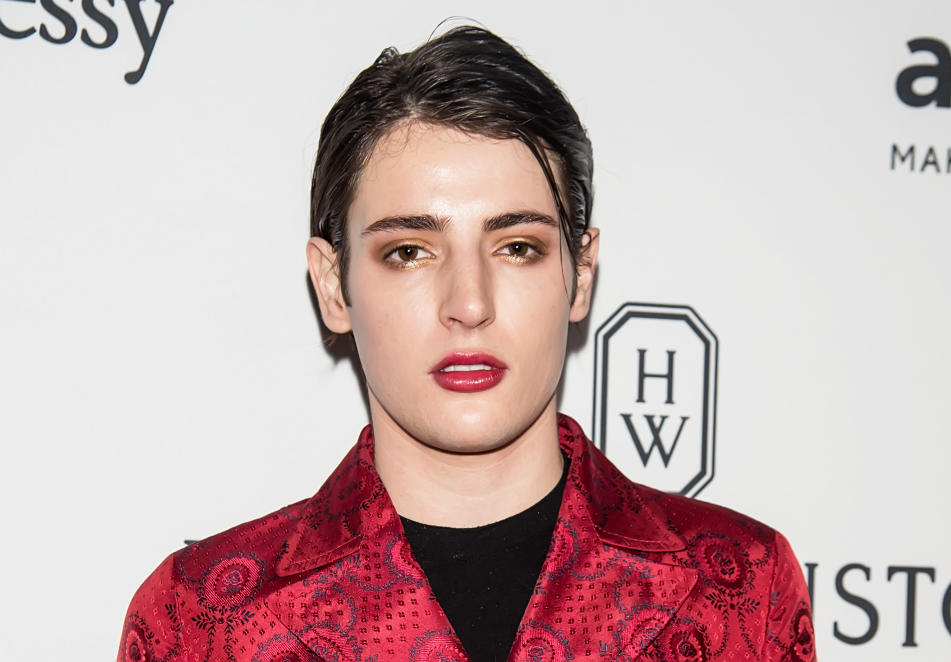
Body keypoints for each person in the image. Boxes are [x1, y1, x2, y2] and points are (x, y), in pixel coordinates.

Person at [117, 26, 816, 662]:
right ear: (333, 285)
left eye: (516, 246)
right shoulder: (204, 619)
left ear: (580, 275)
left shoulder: (740, 589)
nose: (469, 305)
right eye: (409, 252)